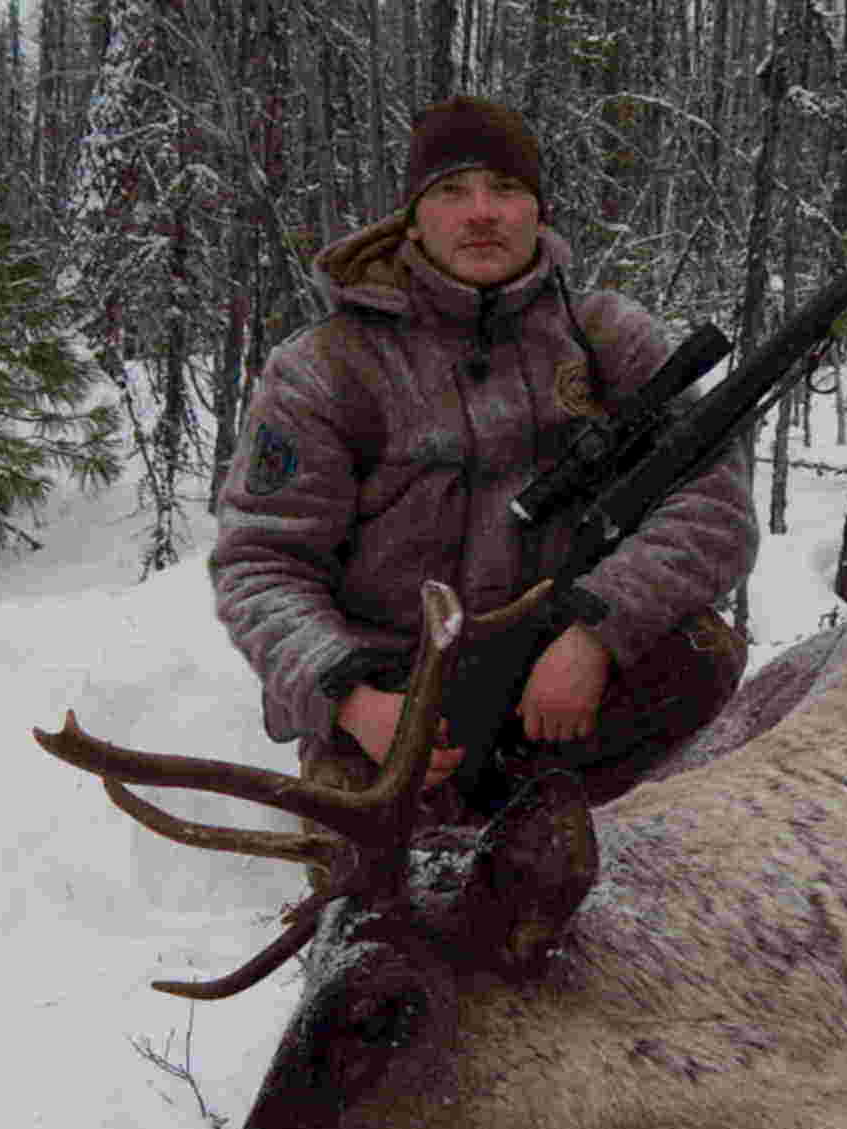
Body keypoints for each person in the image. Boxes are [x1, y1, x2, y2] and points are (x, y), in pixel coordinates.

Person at [209, 96, 758, 821]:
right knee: (380, 895)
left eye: (506, 189)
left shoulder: (608, 338)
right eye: (451, 192)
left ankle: (567, 816)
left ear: (539, 211)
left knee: (700, 653)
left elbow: (713, 505)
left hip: (564, 676)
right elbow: (260, 564)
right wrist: (351, 700)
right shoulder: (324, 368)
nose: (481, 212)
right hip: (400, 702)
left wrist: (600, 628)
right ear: (412, 217)